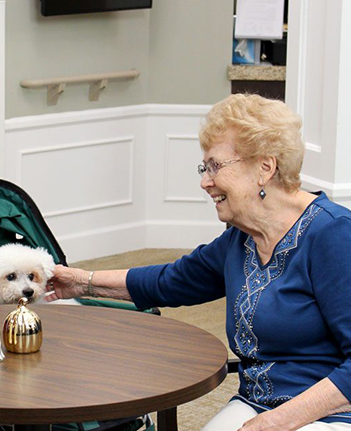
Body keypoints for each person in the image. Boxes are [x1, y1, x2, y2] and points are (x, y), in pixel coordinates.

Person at [47, 94, 351, 431]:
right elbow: (171, 280)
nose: (205, 182)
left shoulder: (333, 235)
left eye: (215, 166)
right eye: (204, 168)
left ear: (265, 168)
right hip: (258, 403)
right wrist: (80, 281)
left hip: (331, 412)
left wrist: (275, 423)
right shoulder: (242, 239)